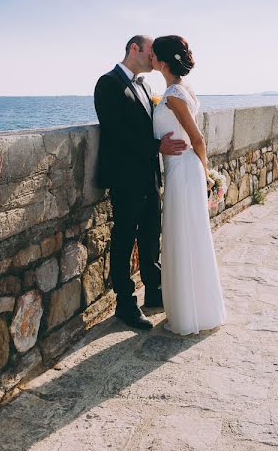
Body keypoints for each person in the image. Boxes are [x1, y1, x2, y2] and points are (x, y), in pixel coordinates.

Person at [93, 35, 188, 330]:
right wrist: (156, 147)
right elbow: (115, 131)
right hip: (124, 176)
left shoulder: (146, 85)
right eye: (150, 52)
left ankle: (154, 290)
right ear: (134, 49)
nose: (153, 57)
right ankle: (125, 303)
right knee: (123, 239)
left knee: (150, 234)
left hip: (148, 175)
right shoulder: (107, 83)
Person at [150, 35, 227, 335]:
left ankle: (189, 313)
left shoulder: (172, 96)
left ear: (164, 62)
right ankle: (193, 307)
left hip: (183, 171)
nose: (151, 57)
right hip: (181, 169)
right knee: (188, 235)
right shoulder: (183, 90)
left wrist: (206, 173)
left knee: (184, 236)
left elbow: (197, 138)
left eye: (155, 54)